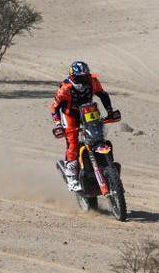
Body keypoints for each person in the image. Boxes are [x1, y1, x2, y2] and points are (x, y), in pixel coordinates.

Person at [50, 60, 119, 191]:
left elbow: (103, 95)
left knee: (98, 136)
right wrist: (58, 124)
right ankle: (71, 177)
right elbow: (54, 107)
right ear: (72, 77)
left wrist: (110, 111)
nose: (83, 80)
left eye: (85, 76)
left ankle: (107, 167)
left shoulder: (93, 81)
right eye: (79, 77)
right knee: (73, 142)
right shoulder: (65, 88)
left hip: (89, 111)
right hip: (70, 114)